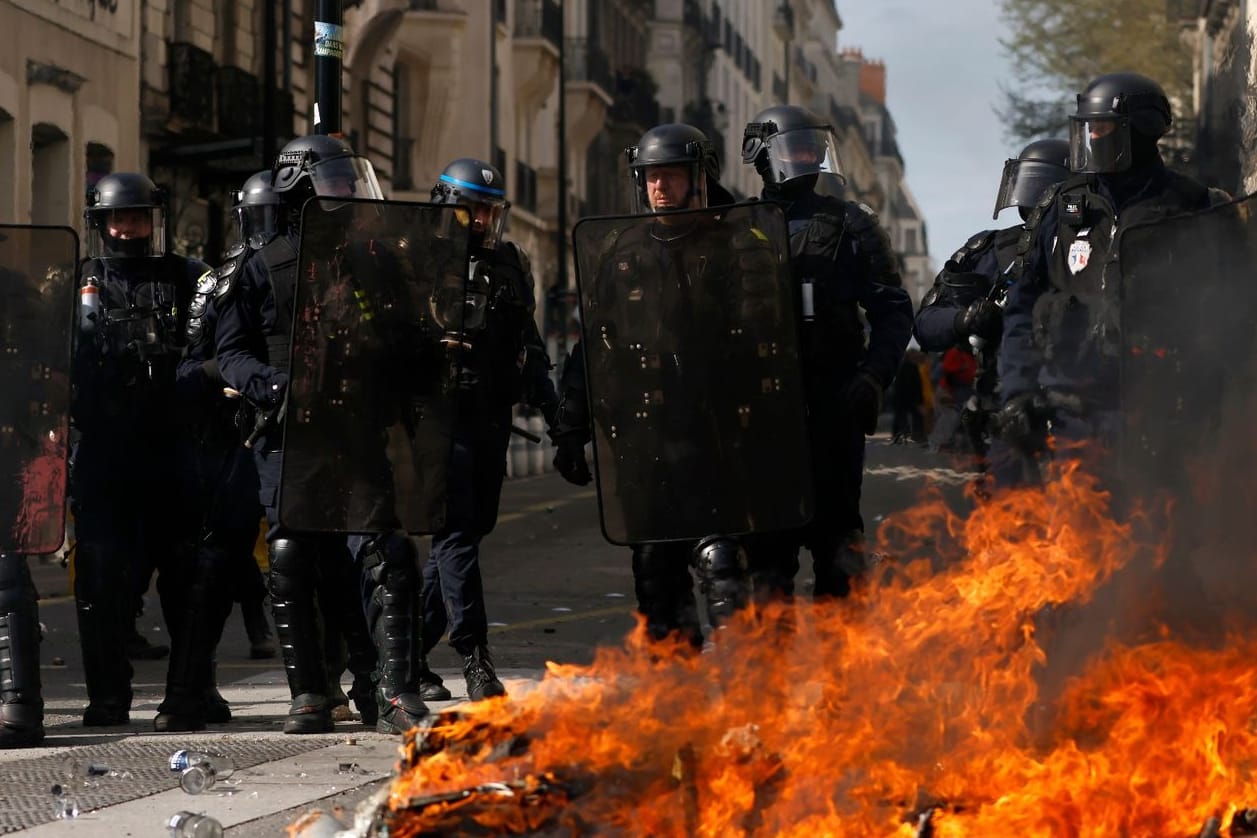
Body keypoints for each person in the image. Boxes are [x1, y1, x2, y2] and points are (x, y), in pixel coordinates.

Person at [553, 123, 801, 646]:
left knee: (723, 564)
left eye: (669, 176)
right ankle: (677, 699)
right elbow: (596, 344)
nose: (658, 188)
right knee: (655, 574)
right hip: (648, 439)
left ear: (700, 178)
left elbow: (768, 340)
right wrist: (570, 426)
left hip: (719, 434)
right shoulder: (623, 251)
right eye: (649, 178)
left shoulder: (740, 244)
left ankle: (747, 693)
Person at [215, 137, 382, 733]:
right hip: (287, 434)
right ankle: (308, 692)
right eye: (334, 183)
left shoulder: (365, 257)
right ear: (301, 191)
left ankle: (375, 681)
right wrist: (275, 385)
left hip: (351, 427)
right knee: (291, 552)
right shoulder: (260, 267)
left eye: (347, 182)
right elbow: (230, 354)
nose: (346, 194)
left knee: (359, 557)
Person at [996, 73, 1221, 476]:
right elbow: (1021, 306)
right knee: (1076, 532)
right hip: (1069, 412)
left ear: (1140, 132)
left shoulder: (1190, 206)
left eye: (1102, 128)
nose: (1092, 138)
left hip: (1157, 410)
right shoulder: (1059, 206)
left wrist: (1206, 401)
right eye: (1087, 128)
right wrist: (1017, 391)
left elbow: (1216, 313)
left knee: (1155, 531)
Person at [738, 105, 913, 601]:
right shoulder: (734, 228)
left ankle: (842, 674)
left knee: (840, 550)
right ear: (763, 154)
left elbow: (893, 311)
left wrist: (874, 377)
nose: (806, 157)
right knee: (766, 560)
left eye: (812, 148)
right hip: (763, 416)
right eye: (795, 148)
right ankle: (769, 674)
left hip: (833, 405)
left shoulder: (853, 225)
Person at [417, 158, 559, 701]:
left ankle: (404, 653)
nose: (479, 220)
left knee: (466, 535)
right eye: (469, 208)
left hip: (491, 421)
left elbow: (530, 345)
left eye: (487, 210)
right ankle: (474, 658)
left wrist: (555, 416)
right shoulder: (421, 264)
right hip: (440, 423)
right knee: (455, 536)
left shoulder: (511, 264)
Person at [71, 173, 209, 726]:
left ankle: (191, 691)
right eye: (118, 218)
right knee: (101, 580)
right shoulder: (78, 282)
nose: (128, 228)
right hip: (104, 453)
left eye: (137, 217)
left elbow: (209, 341)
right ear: (101, 223)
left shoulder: (183, 277)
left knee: (185, 578)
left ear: (153, 220)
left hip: (170, 451)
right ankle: (107, 697)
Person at [153, 171, 284, 731]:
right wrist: (224, 374)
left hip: (309, 437)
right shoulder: (222, 280)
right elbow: (185, 370)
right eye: (264, 220)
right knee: (209, 563)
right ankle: (186, 692)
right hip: (237, 440)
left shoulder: (326, 271)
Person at [0, 226, 78, 746]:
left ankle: (19, 701)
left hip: (5, 442)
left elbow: (44, 363)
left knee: (7, 573)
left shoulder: (13, 292)